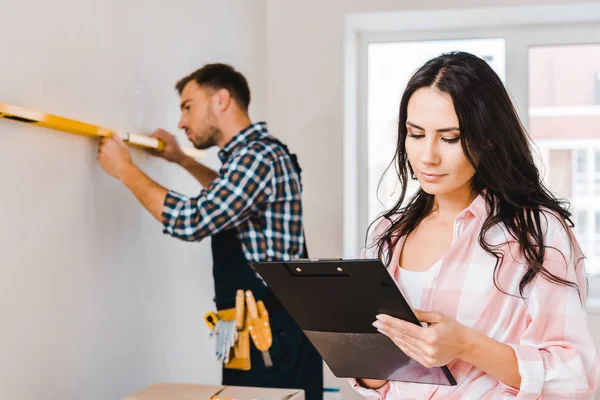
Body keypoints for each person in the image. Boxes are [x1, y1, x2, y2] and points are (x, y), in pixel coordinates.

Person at [351, 52, 600, 399]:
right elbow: (382, 381)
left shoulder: (537, 234)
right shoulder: (387, 235)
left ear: (489, 139)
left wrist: (466, 345)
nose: (428, 156)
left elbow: (575, 376)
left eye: (449, 138)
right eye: (416, 133)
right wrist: (366, 365)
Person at [96, 63, 323, 399]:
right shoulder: (253, 156)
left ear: (221, 100)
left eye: (188, 107)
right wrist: (183, 160)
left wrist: (125, 170)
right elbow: (230, 203)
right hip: (263, 334)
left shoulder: (256, 157)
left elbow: (194, 219)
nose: (181, 122)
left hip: (273, 339)